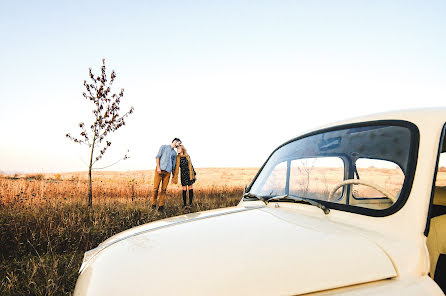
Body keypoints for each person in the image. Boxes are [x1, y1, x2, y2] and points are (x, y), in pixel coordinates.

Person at [151, 138, 181, 211]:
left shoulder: (174, 153)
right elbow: (158, 157)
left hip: (168, 172)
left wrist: (174, 176)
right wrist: (158, 167)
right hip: (159, 171)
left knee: (164, 189)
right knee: (155, 188)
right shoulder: (163, 147)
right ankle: (153, 204)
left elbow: (173, 166)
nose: (179, 145)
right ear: (175, 141)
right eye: (179, 143)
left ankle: (161, 206)